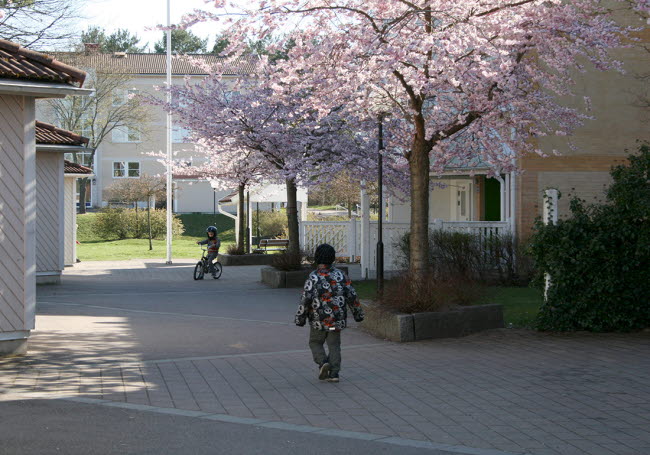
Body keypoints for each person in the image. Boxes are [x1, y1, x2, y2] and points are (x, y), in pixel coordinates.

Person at [295, 243, 364, 383]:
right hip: (336, 320)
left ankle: (322, 362)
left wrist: (300, 318)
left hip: (318, 320)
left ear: (316, 258)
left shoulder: (313, 277)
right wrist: (358, 314)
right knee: (334, 345)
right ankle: (334, 374)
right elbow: (352, 296)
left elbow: (305, 299)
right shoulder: (341, 275)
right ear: (333, 258)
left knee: (315, 342)